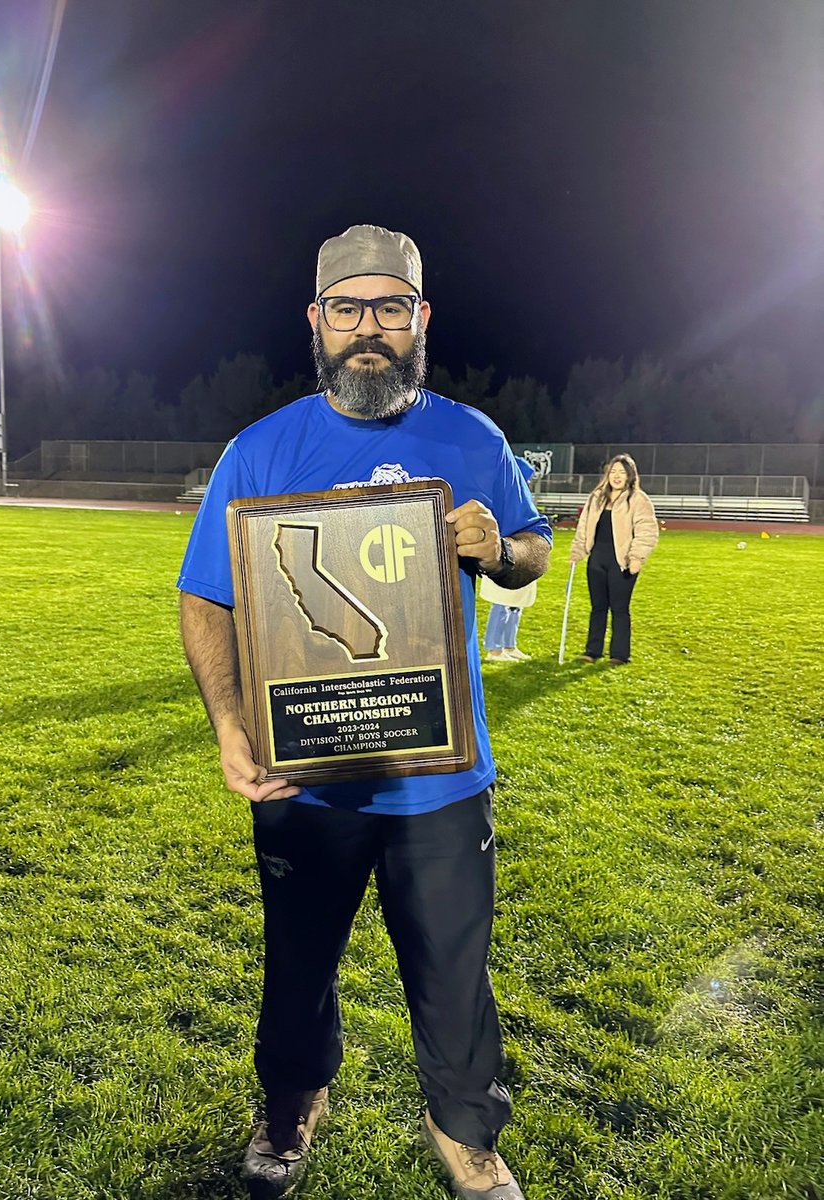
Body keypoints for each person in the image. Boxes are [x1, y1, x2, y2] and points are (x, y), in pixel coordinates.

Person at [178, 224, 552, 1200]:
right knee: (295, 969)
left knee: (455, 981)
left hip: (440, 782)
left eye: (390, 308)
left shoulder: (471, 439)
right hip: (307, 784)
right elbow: (204, 598)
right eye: (348, 309)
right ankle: (295, 1100)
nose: (369, 330)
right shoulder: (260, 452)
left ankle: (467, 1131)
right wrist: (228, 725)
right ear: (317, 321)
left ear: (420, 319)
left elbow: (534, 548)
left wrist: (499, 551)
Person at [569, 453, 658, 664]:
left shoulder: (638, 499)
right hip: (597, 561)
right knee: (597, 607)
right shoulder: (596, 497)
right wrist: (577, 550)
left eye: (622, 472)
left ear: (630, 476)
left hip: (622, 562)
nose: (617, 476)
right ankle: (592, 651)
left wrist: (637, 558)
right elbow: (584, 527)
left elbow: (647, 531)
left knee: (619, 608)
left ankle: (619, 654)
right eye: (613, 472)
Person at [482, 457, 537, 661]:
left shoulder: (524, 499)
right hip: (506, 554)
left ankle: (509, 644)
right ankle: (494, 648)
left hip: (523, 554)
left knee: (516, 605)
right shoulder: (502, 499)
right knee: (501, 603)